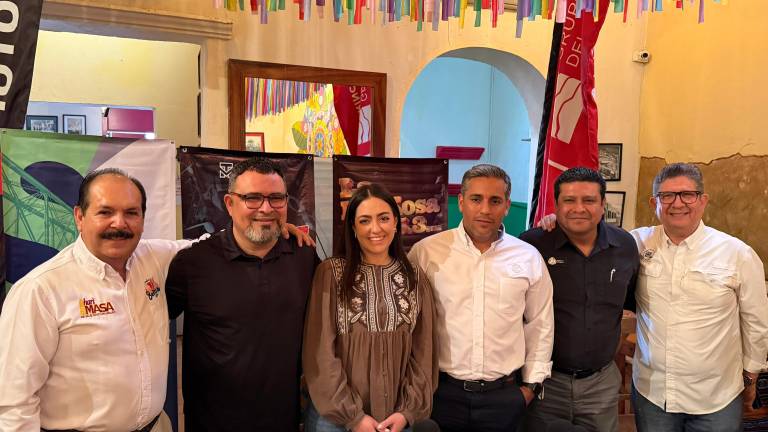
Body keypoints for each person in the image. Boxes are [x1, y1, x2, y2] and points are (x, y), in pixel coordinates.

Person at [0, 168, 187, 432]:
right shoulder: (39, 290)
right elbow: (13, 401)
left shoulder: (154, 258)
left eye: (131, 213)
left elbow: (207, 247)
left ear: (143, 219)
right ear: (79, 216)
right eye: (105, 212)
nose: (119, 223)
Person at [165, 158, 319, 431]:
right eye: (252, 198)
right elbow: (149, 327)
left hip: (283, 420)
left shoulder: (304, 258)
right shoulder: (193, 264)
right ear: (229, 203)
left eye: (276, 198)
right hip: (213, 421)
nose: (266, 208)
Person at [408, 163, 555, 432]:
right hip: (441, 394)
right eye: (476, 199)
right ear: (461, 202)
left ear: (507, 206)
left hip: (505, 397)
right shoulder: (426, 253)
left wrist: (531, 387)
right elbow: (407, 322)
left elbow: (540, 324)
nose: (485, 209)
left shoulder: (528, 257)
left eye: (495, 200)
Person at [629, 163, 768, 432]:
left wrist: (750, 377)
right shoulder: (635, 243)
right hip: (653, 393)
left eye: (687, 194)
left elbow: (756, 321)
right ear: (654, 202)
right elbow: (591, 239)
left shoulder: (738, 253)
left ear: (703, 200)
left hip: (716, 398)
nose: (677, 203)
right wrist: (551, 224)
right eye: (667, 195)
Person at [303, 183, 438, 432]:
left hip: (394, 420)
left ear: (396, 222)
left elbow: (424, 353)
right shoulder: (331, 274)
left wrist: (407, 412)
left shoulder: (415, 278)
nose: (375, 229)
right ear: (353, 228)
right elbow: (319, 353)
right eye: (365, 221)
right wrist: (354, 418)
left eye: (384, 218)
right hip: (335, 419)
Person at [519, 167, 638, 432]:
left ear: (603, 204)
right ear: (556, 205)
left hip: (601, 383)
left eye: (589, 200)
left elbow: (630, 302)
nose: (579, 208)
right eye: (569, 200)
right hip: (544, 382)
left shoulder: (625, 246)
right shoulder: (532, 245)